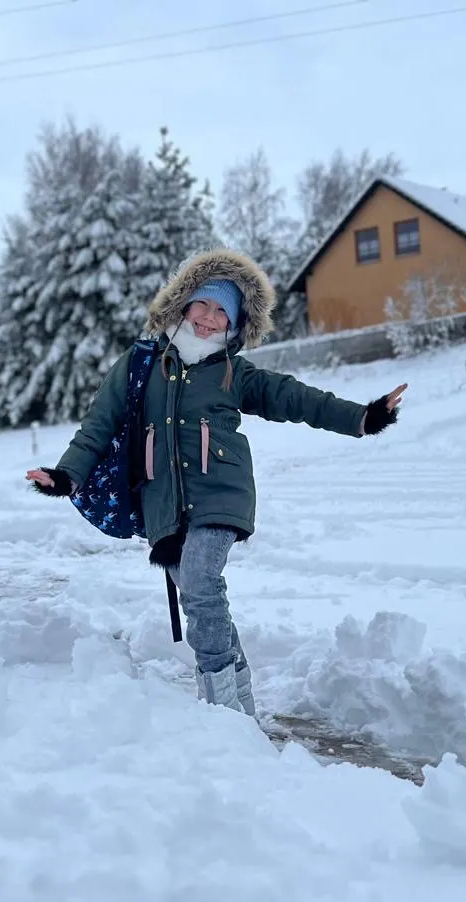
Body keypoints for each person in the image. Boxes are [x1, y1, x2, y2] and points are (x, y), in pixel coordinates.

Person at [26, 248, 406, 718]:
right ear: (182, 304)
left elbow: (295, 398)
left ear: (235, 323)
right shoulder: (141, 364)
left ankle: (221, 710)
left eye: (222, 310)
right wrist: (67, 475)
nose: (208, 318)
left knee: (202, 583)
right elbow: (98, 425)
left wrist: (362, 417)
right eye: (202, 305)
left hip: (221, 495)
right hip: (162, 505)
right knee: (200, 597)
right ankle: (241, 704)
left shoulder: (233, 372)